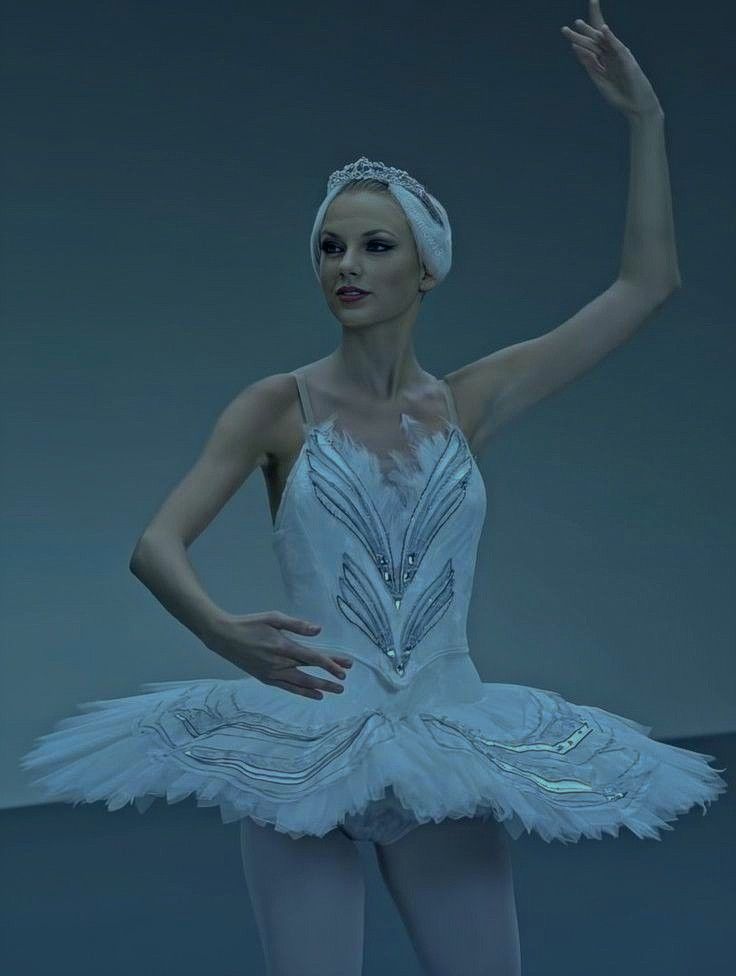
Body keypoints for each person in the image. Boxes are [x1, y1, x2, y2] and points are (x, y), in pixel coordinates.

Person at [18, 18, 729, 976]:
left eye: (374, 246)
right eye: (329, 247)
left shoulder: (472, 401)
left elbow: (647, 285)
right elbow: (157, 544)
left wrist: (645, 117)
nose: (346, 266)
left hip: (444, 739)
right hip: (304, 746)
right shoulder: (279, 405)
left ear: (425, 266)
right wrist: (226, 634)